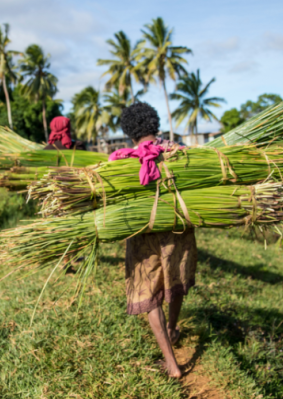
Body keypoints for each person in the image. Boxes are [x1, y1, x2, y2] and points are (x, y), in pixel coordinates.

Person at [112, 102, 196, 379]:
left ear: (128, 131)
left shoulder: (122, 161)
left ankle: (172, 365)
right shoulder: (179, 151)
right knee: (174, 280)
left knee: (150, 295)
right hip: (177, 229)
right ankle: (172, 328)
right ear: (155, 123)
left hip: (143, 235)